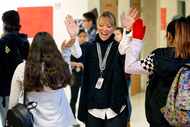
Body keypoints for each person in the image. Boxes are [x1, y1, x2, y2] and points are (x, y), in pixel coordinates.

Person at [120, 17, 190, 127]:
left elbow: (130, 67)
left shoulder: (159, 57)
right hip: (186, 119)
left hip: (160, 118)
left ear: (169, 37)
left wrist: (136, 40)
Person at [74, 9, 139, 127]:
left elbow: (125, 47)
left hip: (114, 107)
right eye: (101, 25)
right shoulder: (89, 47)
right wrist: (73, 36)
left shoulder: (117, 47)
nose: (104, 29)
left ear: (114, 28)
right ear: (97, 25)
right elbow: (77, 53)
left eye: (109, 26)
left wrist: (128, 29)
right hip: (93, 108)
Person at [9, 32, 76, 127]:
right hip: (62, 122)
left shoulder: (22, 68)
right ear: (53, 48)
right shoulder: (61, 67)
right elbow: (67, 65)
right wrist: (66, 50)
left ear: (33, 49)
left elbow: (13, 102)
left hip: (34, 123)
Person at [0, 10, 29, 126]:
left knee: (8, 121)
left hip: (5, 90)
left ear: (6, 24)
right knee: (21, 120)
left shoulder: (3, 43)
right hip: (23, 88)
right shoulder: (24, 41)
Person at [70, 29, 87, 117]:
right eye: (80, 36)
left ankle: (85, 117)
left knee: (85, 98)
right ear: (77, 37)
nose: (82, 38)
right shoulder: (72, 47)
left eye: (84, 36)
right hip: (75, 76)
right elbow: (68, 62)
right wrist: (78, 64)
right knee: (74, 98)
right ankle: (72, 118)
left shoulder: (87, 47)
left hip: (85, 76)